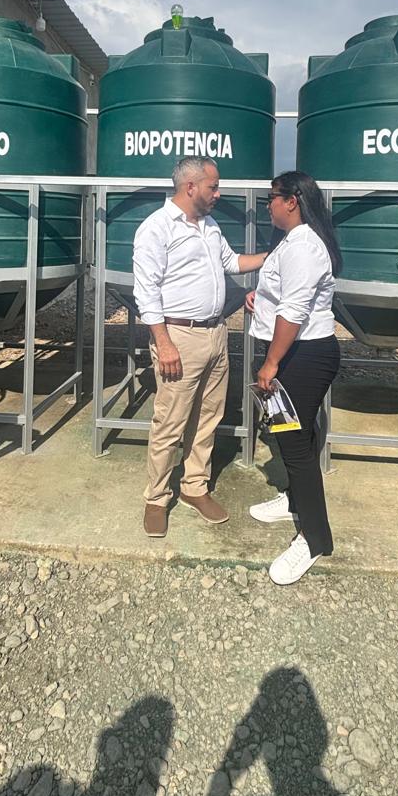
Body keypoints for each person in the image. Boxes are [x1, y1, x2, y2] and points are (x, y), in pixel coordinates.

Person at [132, 157, 266, 538]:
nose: (218, 194)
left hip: (216, 334)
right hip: (179, 338)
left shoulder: (210, 226)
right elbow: (146, 292)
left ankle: (194, 487)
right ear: (190, 187)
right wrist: (164, 343)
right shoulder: (156, 229)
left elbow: (232, 263)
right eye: (213, 187)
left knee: (208, 416)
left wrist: (273, 257)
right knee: (170, 421)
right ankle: (157, 498)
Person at [246, 171, 341, 585]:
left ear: (292, 201)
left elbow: (295, 311)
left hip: (304, 356)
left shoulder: (304, 246)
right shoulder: (291, 242)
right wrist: (260, 298)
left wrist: (270, 365)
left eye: (272, 197)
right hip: (295, 352)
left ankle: (314, 539)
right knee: (293, 436)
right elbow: (283, 296)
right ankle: (294, 501)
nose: (267, 205)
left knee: (294, 443)